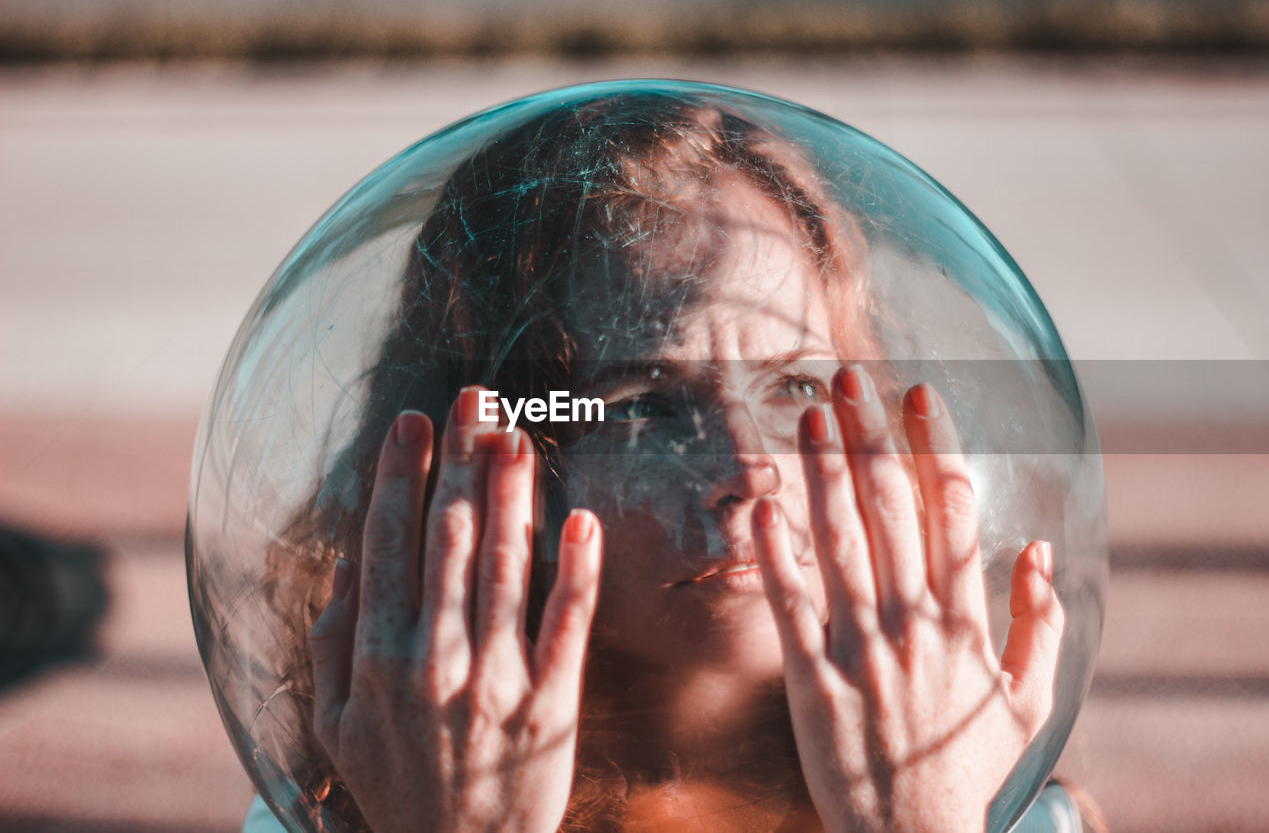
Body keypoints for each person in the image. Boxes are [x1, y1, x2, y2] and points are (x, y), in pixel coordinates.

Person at [247, 91, 1070, 832]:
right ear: (489, 469)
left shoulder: (1000, 804)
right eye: (641, 404)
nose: (749, 473)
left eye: (793, 386)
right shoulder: (342, 816)